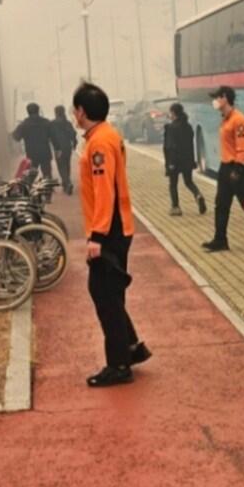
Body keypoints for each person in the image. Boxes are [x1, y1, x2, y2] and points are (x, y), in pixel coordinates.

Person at [72, 81, 150, 387]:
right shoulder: (104, 136)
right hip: (117, 226)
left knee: (104, 295)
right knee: (111, 294)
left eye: (75, 109)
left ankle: (118, 365)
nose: (73, 114)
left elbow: (104, 192)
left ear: (81, 111)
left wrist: (97, 237)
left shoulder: (100, 143)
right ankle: (130, 348)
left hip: (110, 229)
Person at [202, 86, 244, 252]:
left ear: (225, 98)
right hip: (225, 166)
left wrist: (238, 170)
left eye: (216, 97)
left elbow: (243, 147)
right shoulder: (225, 119)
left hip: (236, 167)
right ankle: (220, 239)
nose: (214, 101)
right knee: (221, 204)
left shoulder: (239, 120)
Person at [162, 102, 205, 216]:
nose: (169, 115)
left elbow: (170, 146)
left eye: (170, 112)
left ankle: (176, 207)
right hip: (187, 160)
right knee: (189, 181)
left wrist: (170, 163)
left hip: (175, 161)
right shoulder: (188, 126)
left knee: (173, 184)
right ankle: (198, 195)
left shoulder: (171, 128)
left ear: (174, 113)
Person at [11, 103, 55, 180]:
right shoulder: (46, 122)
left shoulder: (24, 125)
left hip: (32, 154)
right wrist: (57, 148)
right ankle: (48, 190)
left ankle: (31, 190)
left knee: (31, 176)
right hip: (45, 153)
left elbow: (16, 137)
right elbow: (53, 136)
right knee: (47, 175)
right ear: (38, 111)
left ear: (28, 112)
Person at [51, 105, 78, 195]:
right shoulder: (67, 123)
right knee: (67, 165)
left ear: (55, 112)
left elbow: (51, 136)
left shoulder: (53, 124)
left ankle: (67, 183)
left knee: (61, 166)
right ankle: (66, 182)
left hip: (58, 148)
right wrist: (74, 144)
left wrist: (56, 147)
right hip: (67, 147)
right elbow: (73, 134)